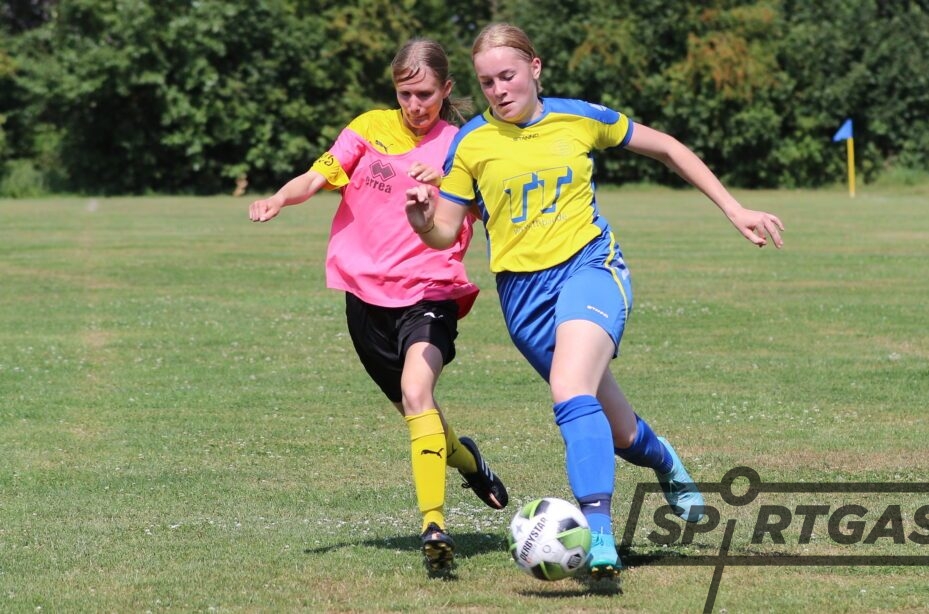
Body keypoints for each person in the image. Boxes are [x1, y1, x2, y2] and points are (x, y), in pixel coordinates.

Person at [406, 23, 784, 584]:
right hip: (523, 298)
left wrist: (735, 209)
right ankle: (666, 463)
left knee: (570, 390)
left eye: (508, 76)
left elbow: (669, 148)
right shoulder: (472, 143)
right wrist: (421, 218)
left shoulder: (581, 117)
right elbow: (443, 233)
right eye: (487, 82)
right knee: (620, 431)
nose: (498, 90)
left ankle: (597, 534)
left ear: (536, 68)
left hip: (590, 269)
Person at [249, 38, 508, 577]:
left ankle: (433, 527)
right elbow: (318, 177)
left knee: (419, 393)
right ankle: (470, 462)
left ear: (447, 89)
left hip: (431, 292)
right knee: (418, 417)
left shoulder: (464, 144)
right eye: (405, 94)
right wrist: (279, 196)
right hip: (366, 299)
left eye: (426, 95)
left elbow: (495, 210)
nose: (415, 106)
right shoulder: (367, 128)